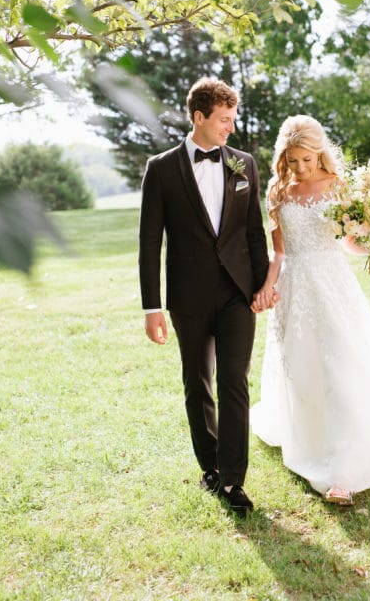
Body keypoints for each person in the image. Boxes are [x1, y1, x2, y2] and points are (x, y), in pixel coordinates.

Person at [250, 115, 370, 505]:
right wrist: (269, 286)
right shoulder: (278, 192)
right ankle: (310, 437)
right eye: (293, 161)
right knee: (305, 369)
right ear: (284, 158)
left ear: (320, 153)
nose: (300, 168)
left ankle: (343, 471)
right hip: (294, 288)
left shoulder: (338, 186)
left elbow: (348, 241)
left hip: (332, 284)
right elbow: (279, 252)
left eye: (307, 160)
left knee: (340, 365)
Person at [139, 77, 269, 516]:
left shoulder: (244, 164)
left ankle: (233, 481)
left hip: (237, 294)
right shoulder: (160, 169)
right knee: (198, 383)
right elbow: (148, 242)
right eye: (223, 120)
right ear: (199, 117)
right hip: (187, 297)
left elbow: (253, 231)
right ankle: (210, 466)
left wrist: (262, 285)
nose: (230, 128)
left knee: (235, 383)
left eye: (233, 119)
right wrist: (152, 307)